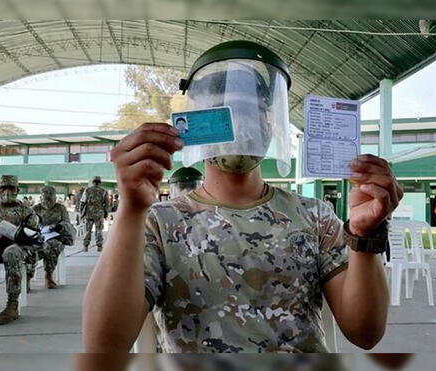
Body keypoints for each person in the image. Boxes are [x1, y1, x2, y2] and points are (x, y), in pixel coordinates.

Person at [82, 40, 401, 354]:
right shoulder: (160, 222)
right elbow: (104, 346)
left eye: (252, 111)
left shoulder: (313, 216)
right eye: (226, 112)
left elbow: (365, 332)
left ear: (269, 122)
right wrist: (130, 211)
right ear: (198, 122)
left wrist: (365, 236)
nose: (240, 125)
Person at [0, 175, 40, 325]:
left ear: (17, 190)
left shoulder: (27, 212)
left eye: (11, 188)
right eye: (2, 188)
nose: (6, 191)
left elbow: (32, 238)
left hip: (15, 248)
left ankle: (12, 306)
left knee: (11, 252)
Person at [32, 186, 75, 289]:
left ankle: (48, 276)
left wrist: (56, 226)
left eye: (50, 199)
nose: (47, 202)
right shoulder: (35, 209)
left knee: (53, 245)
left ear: (55, 198)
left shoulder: (61, 208)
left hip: (56, 236)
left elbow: (66, 222)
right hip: (39, 236)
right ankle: (28, 276)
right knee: (29, 248)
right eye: (45, 199)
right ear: (41, 198)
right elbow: (31, 224)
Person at [79, 176, 108, 252]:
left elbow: (82, 202)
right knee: (99, 230)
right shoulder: (104, 191)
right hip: (99, 213)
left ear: (93, 182)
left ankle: (85, 246)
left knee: (88, 230)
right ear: (99, 182)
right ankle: (99, 246)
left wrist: (81, 213)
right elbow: (107, 204)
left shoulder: (87, 190)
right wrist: (106, 214)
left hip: (89, 213)